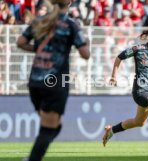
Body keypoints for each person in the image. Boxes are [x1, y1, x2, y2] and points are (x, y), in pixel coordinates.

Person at [16, 0, 90, 161]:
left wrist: (38, 49)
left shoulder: (40, 20)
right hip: (55, 83)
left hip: (34, 81)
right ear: (69, 3)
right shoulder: (70, 25)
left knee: (54, 126)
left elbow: (20, 42)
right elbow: (85, 54)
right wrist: (86, 43)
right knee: (49, 129)